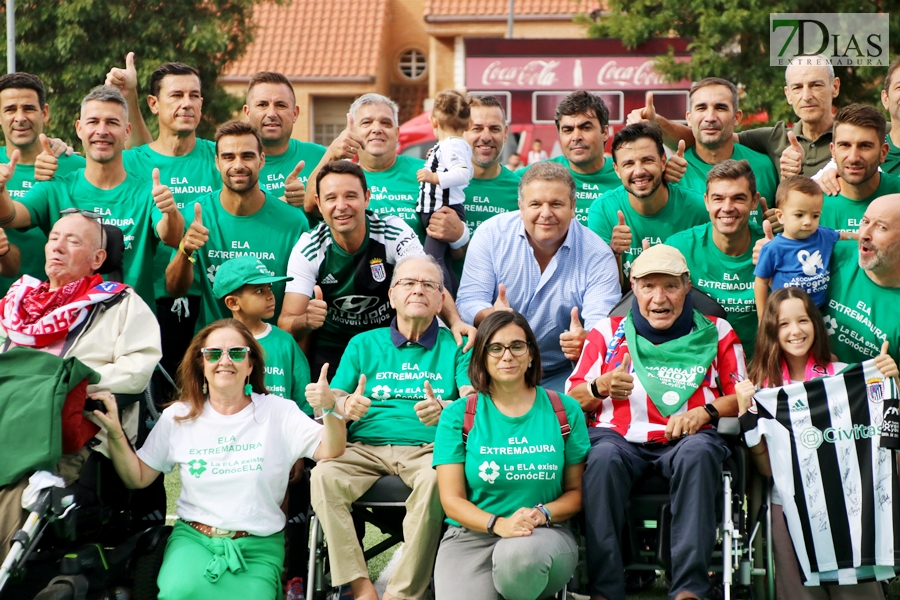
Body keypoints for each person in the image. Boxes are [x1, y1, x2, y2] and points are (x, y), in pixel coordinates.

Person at [90, 319, 344, 600]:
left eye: (236, 352)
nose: (225, 360)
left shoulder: (278, 411)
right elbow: (137, 477)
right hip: (193, 541)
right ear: (201, 364)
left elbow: (330, 449)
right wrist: (115, 432)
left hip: (257, 546)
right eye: (213, 353)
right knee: (177, 592)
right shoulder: (178, 416)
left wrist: (330, 408)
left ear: (250, 365)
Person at [566, 243, 745, 600]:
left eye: (670, 286)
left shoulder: (717, 331)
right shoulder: (607, 332)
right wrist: (599, 386)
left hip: (689, 438)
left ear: (687, 286)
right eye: (648, 286)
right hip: (616, 438)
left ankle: (689, 589)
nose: (658, 298)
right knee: (599, 461)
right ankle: (606, 589)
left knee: (699, 454)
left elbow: (744, 397)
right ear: (633, 287)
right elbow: (571, 401)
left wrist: (705, 412)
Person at [309, 254, 474, 600]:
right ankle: (360, 587)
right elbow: (338, 393)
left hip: (428, 450)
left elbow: (472, 400)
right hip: (364, 447)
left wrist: (446, 408)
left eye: (429, 285)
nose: (418, 290)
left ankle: (401, 594)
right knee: (324, 476)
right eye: (408, 283)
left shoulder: (457, 345)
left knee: (437, 480)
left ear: (441, 299)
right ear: (392, 295)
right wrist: (341, 404)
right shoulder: (363, 344)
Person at [0, 211, 162, 552]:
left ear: (98, 258)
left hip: (67, 432)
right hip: (6, 420)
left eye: (72, 241)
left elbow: (137, 371)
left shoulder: (119, 302)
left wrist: (71, 384)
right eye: (54, 238)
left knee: (17, 493)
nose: (57, 247)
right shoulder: (17, 304)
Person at [735, 287, 895, 600]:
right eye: (783, 324)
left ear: (816, 324)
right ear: (772, 331)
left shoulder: (845, 377)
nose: (795, 331)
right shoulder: (763, 388)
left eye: (803, 320)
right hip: (788, 507)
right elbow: (767, 468)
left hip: (848, 508)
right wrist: (747, 414)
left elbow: (884, 437)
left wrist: (890, 381)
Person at [432, 310, 589, 600]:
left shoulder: (565, 410)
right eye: (495, 347)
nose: (507, 356)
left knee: (519, 559)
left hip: (541, 534)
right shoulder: (458, 415)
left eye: (517, 346)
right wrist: (498, 524)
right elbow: (451, 500)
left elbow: (576, 492)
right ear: (481, 356)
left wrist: (542, 514)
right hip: (472, 535)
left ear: (531, 354)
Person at [280, 160, 475, 381]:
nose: (341, 205)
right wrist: (306, 320)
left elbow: (427, 280)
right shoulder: (309, 247)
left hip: (388, 342)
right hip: (333, 347)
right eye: (331, 198)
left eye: (351, 196)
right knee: (330, 410)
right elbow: (286, 322)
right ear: (319, 203)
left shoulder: (393, 231)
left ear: (367, 198)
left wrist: (455, 322)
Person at [0, 85, 185, 308]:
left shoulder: (147, 191)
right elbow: (11, 216)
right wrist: (1, 190)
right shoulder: (55, 189)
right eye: (93, 122)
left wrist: (170, 211)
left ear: (127, 131)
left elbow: (171, 237)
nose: (102, 131)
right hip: (65, 326)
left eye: (112, 123)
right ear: (79, 128)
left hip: (128, 327)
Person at [457, 161, 621, 391]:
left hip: (561, 373)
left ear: (573, 206)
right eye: (535, 204)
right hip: (494, 367)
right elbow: (468, 301)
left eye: (556, 204)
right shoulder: (490, 234)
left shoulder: (597, 255)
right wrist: (490, 315)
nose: (546, 214)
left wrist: (587, 340)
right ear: (521, 206)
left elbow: (601, 326)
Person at [106, 56, 222, 378]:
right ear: (154, 104)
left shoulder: (221, 157)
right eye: (177, 95)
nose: (187, 104)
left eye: (194, 95)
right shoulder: (129, 161)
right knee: (156, 406)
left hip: (210, 302)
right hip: (146, 302)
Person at [165, 120, 309, 331]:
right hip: (215, 351)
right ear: (217, 162)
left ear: (261, 160)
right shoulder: (194, 215)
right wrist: (185, 249)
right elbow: (174, 289)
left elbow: (299, 306)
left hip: (272, 350)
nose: (238, 165)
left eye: (247, 156)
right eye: (228, 157)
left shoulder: (293, 222)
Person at [306, 94, 468, 253]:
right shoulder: (341, 178)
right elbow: (310, 205)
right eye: (367, 122)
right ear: (353, 131)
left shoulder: (428, 172)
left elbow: (457, 251)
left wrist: (458, 235)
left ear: (397, 133)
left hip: (415, 276)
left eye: (385, 123)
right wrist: (332, 154)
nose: (377, 129)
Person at [628, 56, 840, 179]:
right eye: (797, 87)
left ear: (835, 87)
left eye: (816, 85)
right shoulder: (775, 138)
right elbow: (710, 138)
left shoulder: (856, 138)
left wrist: (837, 168)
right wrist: (656, 123)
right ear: (787, 95)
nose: (806, 95)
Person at [666, 159, 764, 359]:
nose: (727, 208)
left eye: (738, 198)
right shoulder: (679, 247)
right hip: (699, 366)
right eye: (718, 198)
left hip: (760, 367)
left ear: (754, 201)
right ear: (706, 201)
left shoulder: (771, 248)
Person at [588, 123, 708, 282]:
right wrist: (614, 252)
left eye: (647, 160)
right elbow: (605, 289)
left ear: (663, 162)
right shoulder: (603, 210)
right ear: (617, 170)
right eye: (628, 164)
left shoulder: (699, 208)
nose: (639, 171)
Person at [0, 72, 85, 295]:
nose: (19, 117)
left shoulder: (76, 166)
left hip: (63, 304)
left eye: (28, 108)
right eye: (10, 109)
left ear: (44, 113)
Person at [213, 256, 311, 413]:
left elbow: (304, 402)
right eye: (259, 290)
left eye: (269, 287)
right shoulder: (215, 343)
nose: (270, 295)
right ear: (233, 303)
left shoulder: (285, 341)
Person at [678, 78, 776, 225]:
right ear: (689, 118)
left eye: (720, 108)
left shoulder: (766, 168)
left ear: (736, 118)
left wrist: (785, 222)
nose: (710, 117)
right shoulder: (671, 174)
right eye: (701, 108)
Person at [822, 194, 900, 365]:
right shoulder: (834, 255)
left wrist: (895, 381)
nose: (864, 234)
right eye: (865, 221)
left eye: (881, 227)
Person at [754, 176, 847, 317]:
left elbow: (843, 235)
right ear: (780, 216)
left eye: (815, 216)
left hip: (818, 313)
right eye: (799, 215)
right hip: (785, 315)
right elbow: (761, 282)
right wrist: (762, 318)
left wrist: (865, 236)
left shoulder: (824, 235)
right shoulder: (773, 248)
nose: (808, 222)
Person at [416, 90, 473, 293]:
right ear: (468, 125)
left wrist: (434, 178)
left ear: (433, 122)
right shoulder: (450, 146)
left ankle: (443, 314)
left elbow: (463, 174)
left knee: (433, 265)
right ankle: (456, 305)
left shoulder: (452, 146)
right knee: (444, 265)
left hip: (442, 212)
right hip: (437, 211)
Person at [243, 71, 326, 204]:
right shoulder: (231, 164)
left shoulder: (320, 157)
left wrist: (309, 200)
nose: (271, 113)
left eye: (281, 105)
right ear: (247, 112)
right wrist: (284, 201)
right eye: (262, 105)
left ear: (295, 113)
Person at [817, 104, 900, 233]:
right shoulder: (812, 203)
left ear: (883, 152)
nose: (853, 158)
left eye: (865, 146)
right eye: (845, 145)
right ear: (833, 151)